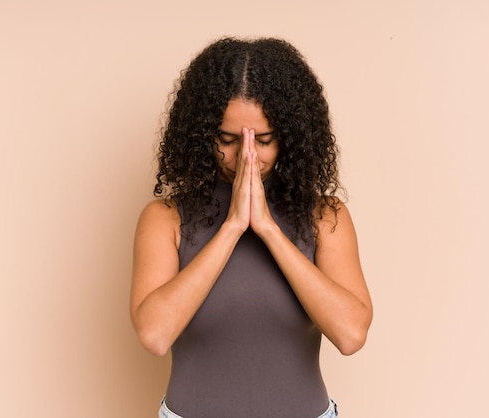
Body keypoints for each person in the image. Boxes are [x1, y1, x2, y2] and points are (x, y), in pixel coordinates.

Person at [130, 37, 372, 418]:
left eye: (264, 140)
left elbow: (351, 335)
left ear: (290, 137)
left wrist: (268, 230)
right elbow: (155, 336)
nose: (246, 155)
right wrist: (231, 227)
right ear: (201, 133)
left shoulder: (325, 216)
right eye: (227, 139)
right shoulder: (165, 218)